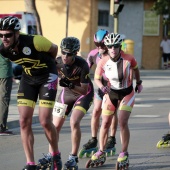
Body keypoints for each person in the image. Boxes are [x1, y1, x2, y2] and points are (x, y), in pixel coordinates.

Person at [0, 16, 62, 170]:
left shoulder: (36, 41)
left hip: (47, 76)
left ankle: (55, 154)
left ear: (17, 33)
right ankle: (30, 163)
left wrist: (50, 66)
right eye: (1, 35)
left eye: (7, 35)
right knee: (23, 121)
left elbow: (54, 49)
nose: (4, 38)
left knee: (44, 120)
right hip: (28, 79)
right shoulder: (3, 49)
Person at [39, 37, 94, 170]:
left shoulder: (82, 65)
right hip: (67, 94)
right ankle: (51, 154)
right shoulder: (57, 61)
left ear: (75, 53)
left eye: (69, 54)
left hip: (83, 93)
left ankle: (73, 157)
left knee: (74, 121)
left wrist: (69, 83)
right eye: (63, 52)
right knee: (55, 126)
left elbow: (84, 89)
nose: (65, 56)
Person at [90, 33, 143, 168]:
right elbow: (96, 78)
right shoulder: (103, 61)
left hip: (127, 92)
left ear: (120, 47)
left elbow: (136, 70)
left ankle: (123, 152)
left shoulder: (129, 59)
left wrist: (139, 83)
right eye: (109, 46)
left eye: (115, 46)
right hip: (111, 92)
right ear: (107, 48)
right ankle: (101, 150)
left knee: (122, 121)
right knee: (105, 122)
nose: (112, 49)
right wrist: (102, 87)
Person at [79, 29, 118, 157]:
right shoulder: (93, 54)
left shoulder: (114, 53)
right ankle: (94, 139)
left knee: (112, 113)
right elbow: (85, 69)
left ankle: (111, 138)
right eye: (97, 45)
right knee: (96, 111)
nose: (100, 47)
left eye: (102, 44)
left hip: (114, 88)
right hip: (101, 87)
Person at [0, 39, 13, 135]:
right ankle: (1, 127)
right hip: (5, 72)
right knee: (4, 99)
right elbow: (11, 56)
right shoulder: (5, 40)